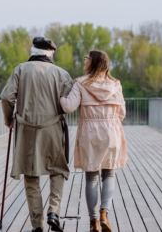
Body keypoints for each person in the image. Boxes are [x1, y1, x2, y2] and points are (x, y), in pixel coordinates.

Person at [0, 37, 73, 232]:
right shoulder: (62, 74)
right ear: (52, 53)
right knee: (57, 169)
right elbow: (68, 105)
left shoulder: (20, 69)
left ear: (33, 51)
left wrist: (9, 120)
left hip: (26, 130)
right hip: (53, 129)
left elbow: (7, 97)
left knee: (31, 174)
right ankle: (53, 211)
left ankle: (37, 224)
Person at [60, 50, 127, 232]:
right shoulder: (116, 85)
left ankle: (94, 221)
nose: (84, 61)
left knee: (91, 178)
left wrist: (59, 96)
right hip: (112, 131)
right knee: (109, 175)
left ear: (93, 62)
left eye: (87, 58)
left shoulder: (81, 83)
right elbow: (122, 113)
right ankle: (105, 213)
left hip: (90, 133)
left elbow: (68, 107)